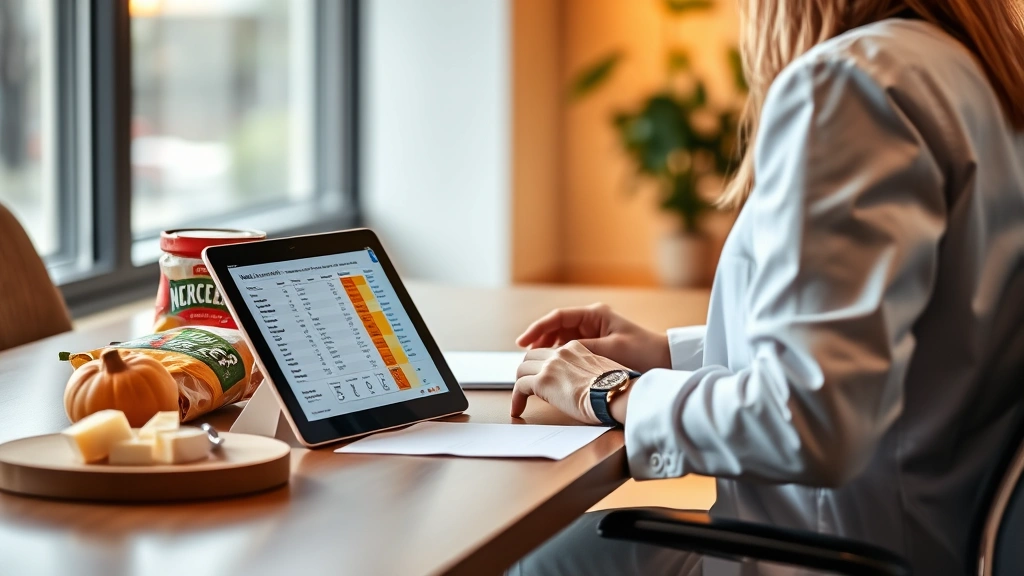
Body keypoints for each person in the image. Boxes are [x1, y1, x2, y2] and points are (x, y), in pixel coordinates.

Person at [507, 1, 1024, 575]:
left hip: (833, 554)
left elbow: (807, 417)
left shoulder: (853, 84)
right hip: (925, 540)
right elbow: (908, 336)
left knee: (531, 563)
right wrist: (669, 353)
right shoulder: (978, 74)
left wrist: (611, 391)